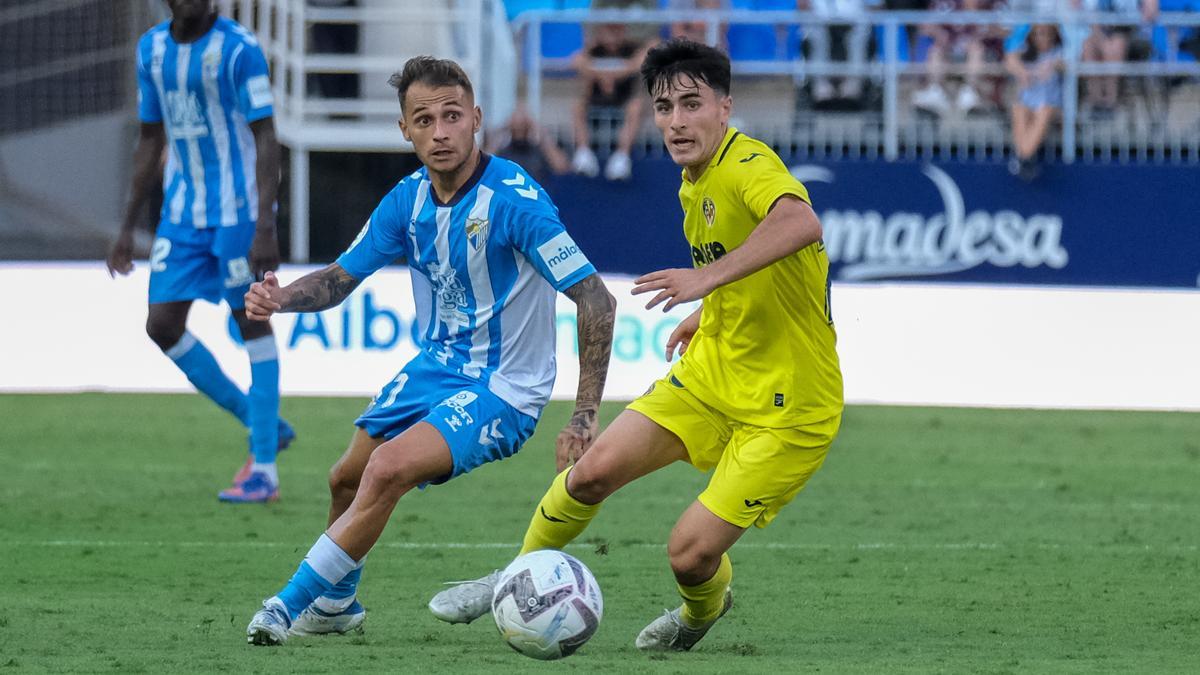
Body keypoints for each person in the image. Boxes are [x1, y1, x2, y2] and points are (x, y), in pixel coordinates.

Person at [428, 38, 844, 652]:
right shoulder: (692, 180)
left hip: (790, 409)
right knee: (588, 474)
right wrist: (709, 311)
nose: (676, 121)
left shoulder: (748, 164)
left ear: (725, 108)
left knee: (688, 555)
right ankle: (514, 577)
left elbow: (799, 223)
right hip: (712, 376)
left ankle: (699, 614)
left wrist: (703, 278)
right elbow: (768, 268)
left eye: (692, 104)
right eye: (664, 107)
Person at [242, 56, 617, 645]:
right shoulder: (406, 200)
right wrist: (281, 297)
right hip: (435, 368)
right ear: (405, 130)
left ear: (476, 120)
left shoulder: (515, 201)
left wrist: (583, 412)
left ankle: (284, 607)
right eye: (424, 120)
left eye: (451, 116)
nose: (439, 132)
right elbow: (341, 279)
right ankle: (338, 606)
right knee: (346, 477)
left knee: (387, 469)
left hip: (504, 388)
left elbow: (596, 299)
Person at [106, 0, 292, 503]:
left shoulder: (239, 49)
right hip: (182, 213)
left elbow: (266, 135)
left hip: (236, 211)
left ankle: (265, 471)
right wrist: (126, 225)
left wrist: (265, 223)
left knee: (252, 320)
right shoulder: (153, 49)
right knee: (161, 325)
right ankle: (264, 425)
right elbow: (150, 137)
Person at [570, 18, 655, 180]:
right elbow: (577, 62)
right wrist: (603, 74)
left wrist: (609, 74)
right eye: (609, 31)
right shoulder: (594, 50)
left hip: (624, 97)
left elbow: (641, 61)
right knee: (577, 106)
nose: (613, 36)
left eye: (617, 31)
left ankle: (621, 156)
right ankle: (583, 153)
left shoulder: (631, 48)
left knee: (636, 106)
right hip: (596, 97)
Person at [913, 0, 1006, 116]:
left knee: (976, 49)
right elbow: (925, 24)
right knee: (936, 49)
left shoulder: (994, 4)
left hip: (986, 54)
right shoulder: (947, 3)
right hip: (951, 51)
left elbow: (1007, 29)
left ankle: (971, 91)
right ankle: (934, 89)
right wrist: (940, 34)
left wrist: (986, 33)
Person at [1005, 23, 1064, 180]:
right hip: (1029, 103)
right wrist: (1023, 73)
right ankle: (1025, 156)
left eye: (1045, 33)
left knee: (1044, 111)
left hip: (1051, 104)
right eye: (1037, 34)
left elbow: (1062, 64)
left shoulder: (1058, 53)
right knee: (1019, 108)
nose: (1041, 38)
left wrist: (1050, 66)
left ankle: (1022, 155)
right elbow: (1010, 60)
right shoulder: (1026, 54)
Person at [488, 104, 571, 185]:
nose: (519, 130)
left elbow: (561, 167)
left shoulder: (538, 152)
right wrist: (502, 130)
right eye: (516, 127)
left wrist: (540, 132)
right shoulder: (503, 154)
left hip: (534, 195)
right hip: (509, 196)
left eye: (523, 126)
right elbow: (484, 167)